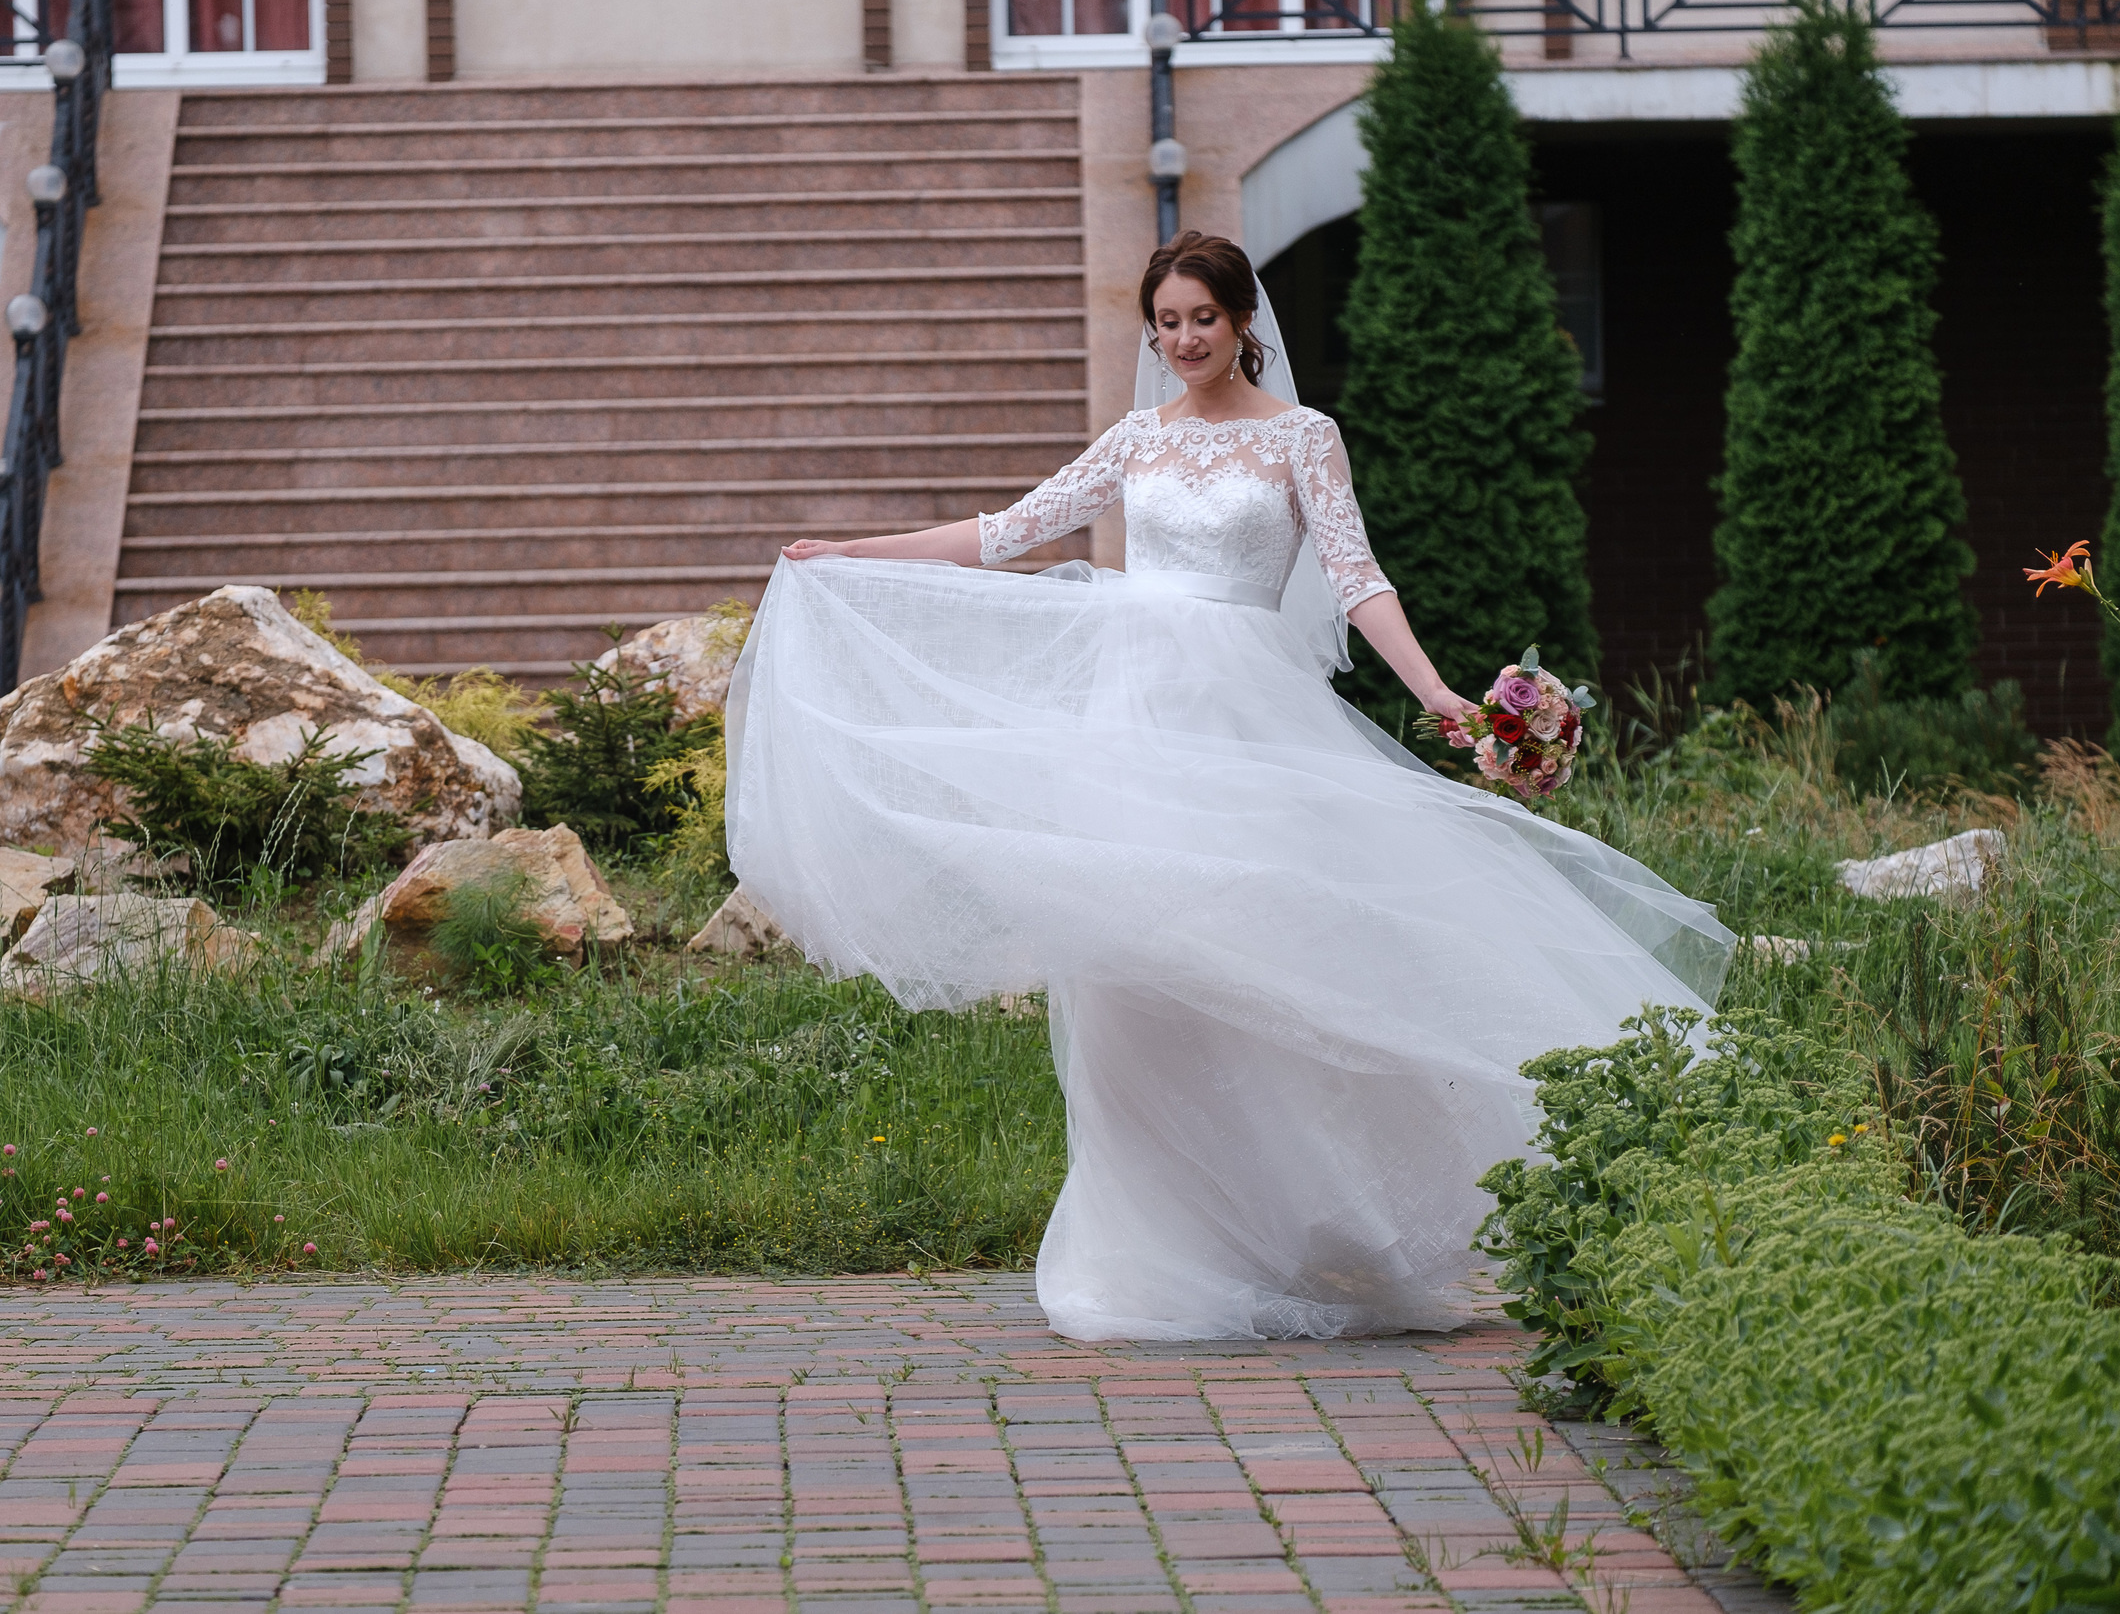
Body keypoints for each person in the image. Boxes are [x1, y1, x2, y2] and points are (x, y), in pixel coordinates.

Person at [725, 230, 1731, 1343]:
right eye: (1165, 322)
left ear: (1244, 321)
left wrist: (1443, 694)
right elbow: (1010, 529)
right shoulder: (1137, 441)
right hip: (1131, 721)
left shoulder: (1304, 439)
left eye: (1202, 317)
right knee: (1123, 977)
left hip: (1244, 718)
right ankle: (1143, 1259)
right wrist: (856, 552)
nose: (1184, 339)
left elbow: (1356, 579)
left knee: (1265, 968)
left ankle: (1292, 1235)